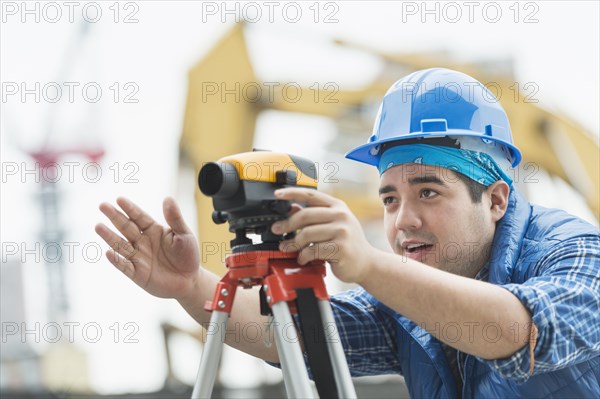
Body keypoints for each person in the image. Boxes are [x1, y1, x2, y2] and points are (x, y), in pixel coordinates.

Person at [95, 68, 599, 398]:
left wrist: (368, 263)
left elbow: (524, 332)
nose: (402, 221)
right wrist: (190, 286)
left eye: (428, 193)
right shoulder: (411, 294)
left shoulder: (574, 252)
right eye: (389, 199)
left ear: (494, 199)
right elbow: (293, 335)